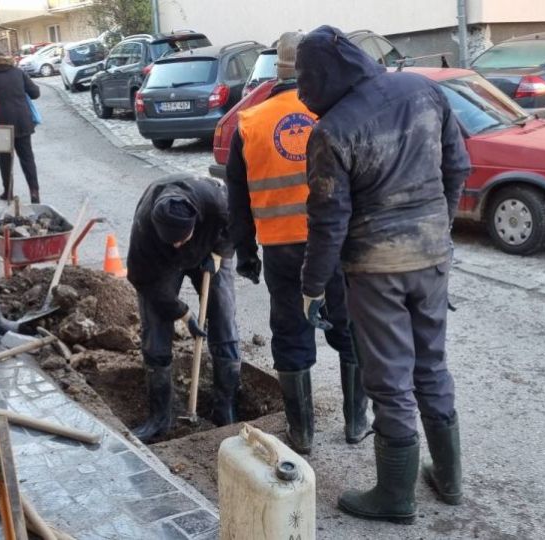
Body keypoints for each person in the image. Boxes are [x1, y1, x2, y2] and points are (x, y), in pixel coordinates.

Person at [296, 26, 472, 523]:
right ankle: (450, 479)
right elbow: (458, 165)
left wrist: (312, 286)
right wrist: (440, 224)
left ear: (322, 75)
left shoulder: (331, 130)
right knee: (432, 364)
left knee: (391, 379)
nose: (304, 90)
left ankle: (395, 497)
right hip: (432, 256)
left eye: (305, 78)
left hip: (376, 270)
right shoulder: (423, 90)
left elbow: (328, 220)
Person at [225, 32, 368, 455]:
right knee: (350, 328)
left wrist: (246, 253)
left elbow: (238, 197)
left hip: (282, 251)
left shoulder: (250, 123)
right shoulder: (337, 114)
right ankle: (356, 424)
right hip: (339, 245)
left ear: (276, 69)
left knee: (290, 333)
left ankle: (302, 434)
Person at [126, 173, 240, 443]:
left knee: (223, 318)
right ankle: (159, 417)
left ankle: (226, 407)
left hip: (209, 250)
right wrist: (183, 312)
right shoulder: (146, 229)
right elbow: (143, 280)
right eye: (172, 241)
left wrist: (220, 252)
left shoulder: (215, 200)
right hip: (162, 265)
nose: (177, 244)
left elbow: (237, 225)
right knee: (155, 328)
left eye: (181, 238)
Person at [0, 49, 42, 203]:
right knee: (27, 158)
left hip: (1, 124)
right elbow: (35, 93)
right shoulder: (17, 72)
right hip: (22, 121)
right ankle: (34, 192)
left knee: (5, 158)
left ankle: (8, 191)